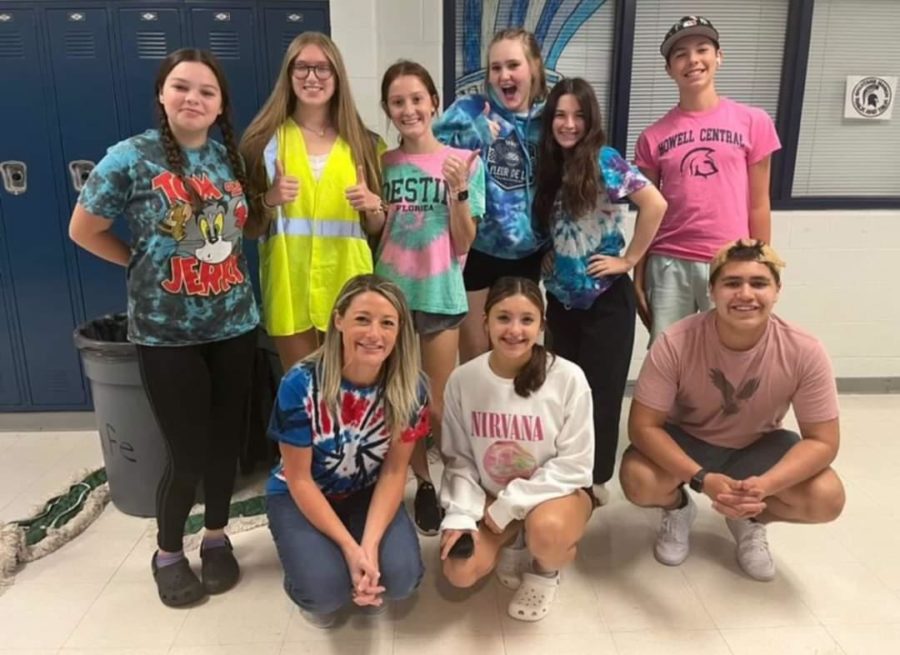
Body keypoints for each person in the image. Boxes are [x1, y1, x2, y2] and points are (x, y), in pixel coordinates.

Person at [69, 49, 259, 606]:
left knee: (227, 444)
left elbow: (239, 228)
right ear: (162, 93)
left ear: (220, 103)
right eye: (181, 87)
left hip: (235, 325)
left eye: (206, 91)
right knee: (187, 453)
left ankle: (218, 538)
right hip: (165, 334)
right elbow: (84, 229)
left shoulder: (230, 160)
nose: (193, 99)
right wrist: (135, 259)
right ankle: (169, 552)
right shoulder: (130, 158)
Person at [620, 239, 845, 581]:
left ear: (777, 291)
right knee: (639, 480)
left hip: (758, 445)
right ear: (712, 290)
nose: (745, 294)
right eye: (731, 283)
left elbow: (824, 441)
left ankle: (750, 518)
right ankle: (678, 509)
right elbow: (643, 426)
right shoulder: (675, 341)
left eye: (758, 283)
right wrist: (700, 479)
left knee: (827, 498)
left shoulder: (804, 350)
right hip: (689, 439)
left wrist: (764, 486)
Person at [266, 274, 430, 628]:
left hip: (365, 490)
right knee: (325, 593)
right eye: (362, 319)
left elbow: (394, 471)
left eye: (387, 323)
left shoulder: (411, 387)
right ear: (338, 320)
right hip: (300, 492)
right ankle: (309, 573)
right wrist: (349, 548)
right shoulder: (300, 383)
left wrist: (368, 547)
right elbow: (299, 479)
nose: (375, 334)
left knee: (401, 580)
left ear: (400, 331)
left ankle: (356, 545)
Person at [533, 77, 667, 503]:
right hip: (561, 299)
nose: (569, 124)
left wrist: (628, 260)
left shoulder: (604, 160)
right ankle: (563, 466)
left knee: (600, 393)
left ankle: (594, 479)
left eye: (578, 115)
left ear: (590, 121)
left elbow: (655, 204)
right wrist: (547, 255)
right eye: (560, 115)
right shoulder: (551, 166)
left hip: (605, 299)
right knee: (561, 392)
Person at [439, 277, 595, 622]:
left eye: (527, 319)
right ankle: (513, 539)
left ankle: (543, 570)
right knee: (459, 571)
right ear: (485, 322)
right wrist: (462, 514)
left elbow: (576, 466)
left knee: (549, 534)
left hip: (556, 497)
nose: (514, 330)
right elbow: (459, 459)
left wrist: (511, 505)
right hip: (491, 500)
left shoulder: (568, 378)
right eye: (503, 317)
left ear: (542, 325)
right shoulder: (463, 380)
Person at [375, 60, 487, 536]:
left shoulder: (465, 162)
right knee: (403, 404)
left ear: (434, 103)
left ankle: (459, 483)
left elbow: (465, 242)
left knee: (438, 406)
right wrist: (371, 212)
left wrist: (458, 192)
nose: (408, 110)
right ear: (387, 109)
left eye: (417, 99)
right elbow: (376, 232)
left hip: (441, 294)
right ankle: (422, 484)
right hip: (390, 300)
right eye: (397, 102)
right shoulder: (383, 163)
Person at [240, 32, 385, 371]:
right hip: (291, 291)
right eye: (301, 67)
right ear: (288, 76)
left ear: (337, 76)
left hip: (351, 289)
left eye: (322, 68)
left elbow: (376, 230)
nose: (311, 77)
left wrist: (372, 206)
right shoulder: (264, 141)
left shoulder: (365, 143)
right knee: (305, 397)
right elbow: (248, 227)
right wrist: (270, 199)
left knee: (351, 394)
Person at [633, 16, 782, 342]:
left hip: (731, 260)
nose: (692, 60)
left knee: (730, 354)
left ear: (719, 56)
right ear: (669, 69)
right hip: (669, 263)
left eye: (702, 49)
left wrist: (762, 267)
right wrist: (639, 275)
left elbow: (759, 202)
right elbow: (647, 211)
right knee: (668, 357)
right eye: (680, 54)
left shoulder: (753, 122)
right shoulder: (652, 137)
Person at [433, 28, 548, 363]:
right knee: (475, 357)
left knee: (517, 355)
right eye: (495, 68)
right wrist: (472, 135)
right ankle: (476, 418)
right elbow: (429, 150)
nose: (504, 75)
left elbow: (564, 185)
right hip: (478, 249)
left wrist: (554, 244)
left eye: (513, 65)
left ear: (534, 69)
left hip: (528, 254)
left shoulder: (549, 120)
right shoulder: (471, 109)